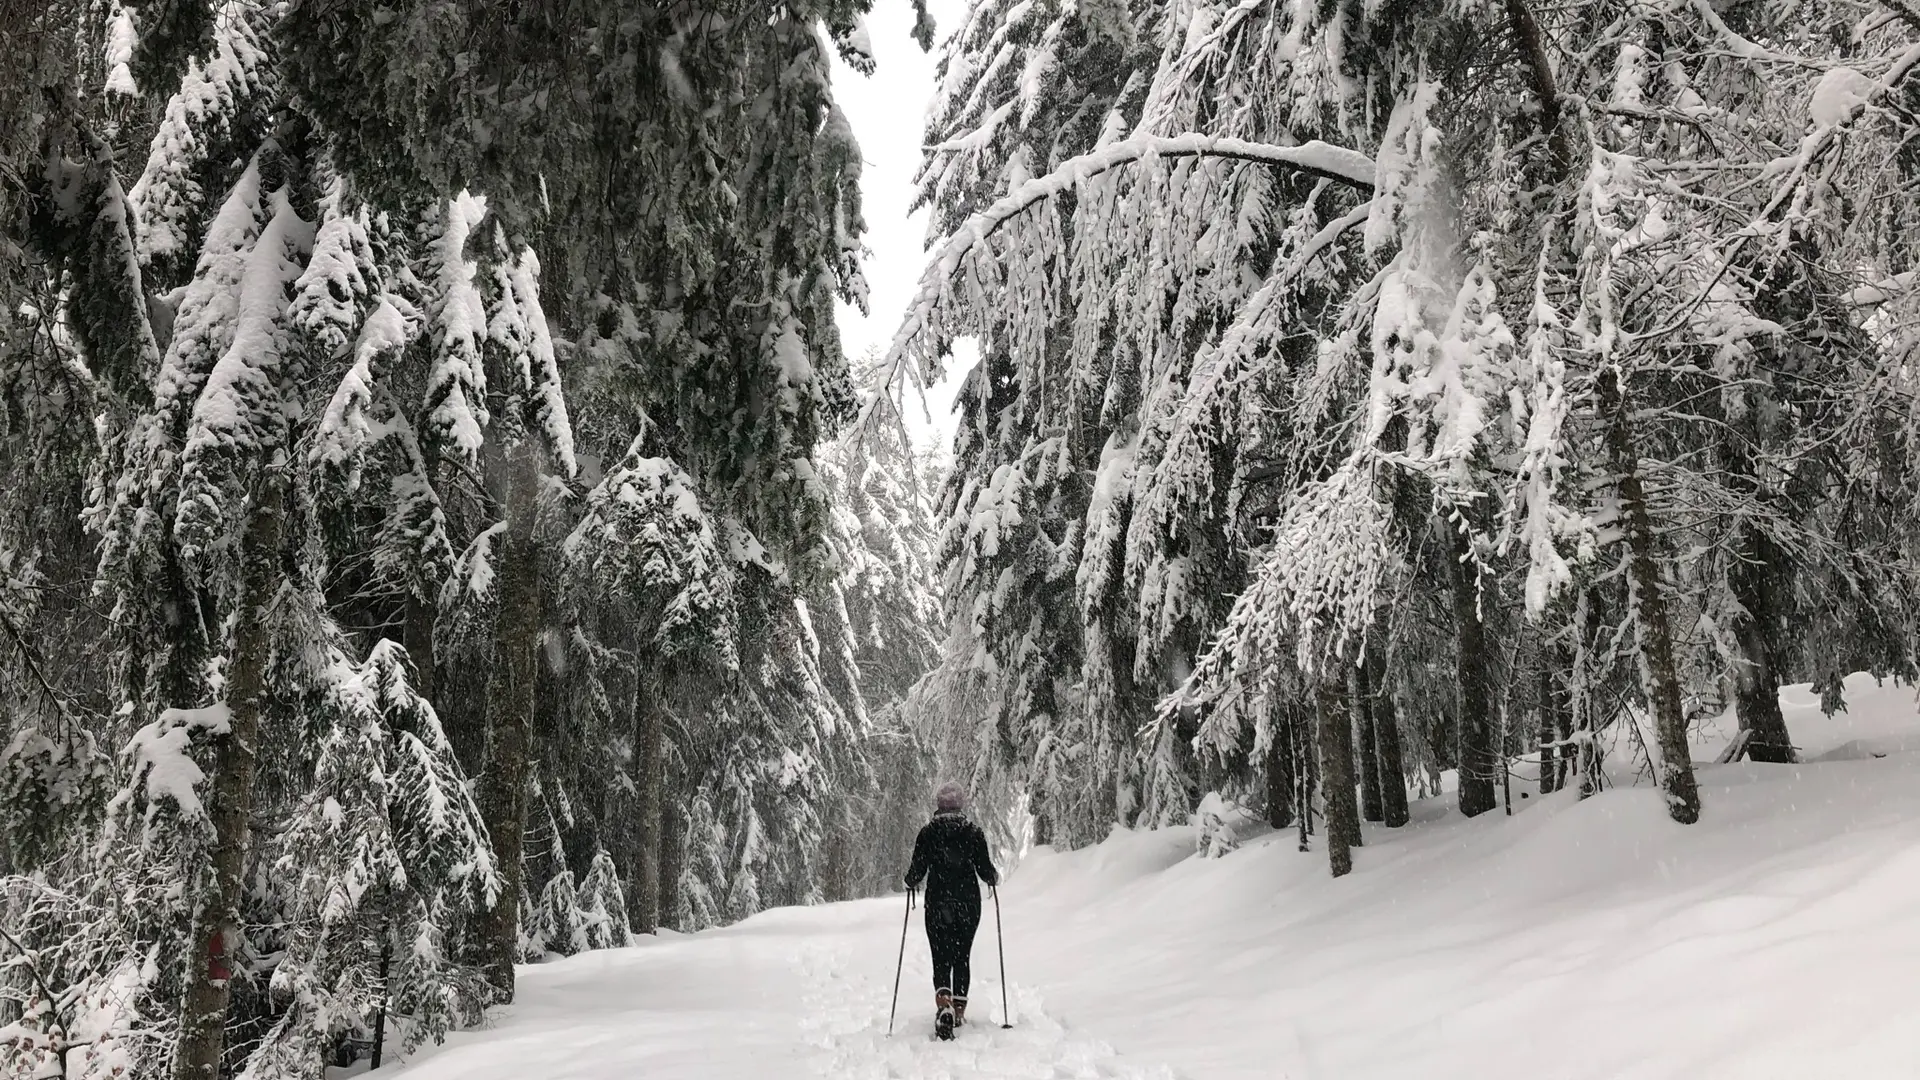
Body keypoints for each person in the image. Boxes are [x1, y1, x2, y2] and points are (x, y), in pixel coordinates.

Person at [903, 780, 998, 1040]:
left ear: (939, 805)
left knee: (941, 955)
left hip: (937, 903)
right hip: (968, 903)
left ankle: (943, 1002)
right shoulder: (974, 833)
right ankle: (958, 1010)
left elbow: (917, 871)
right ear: (960, 804)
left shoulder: (927, 833)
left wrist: (909, 880)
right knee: (961, 955)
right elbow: (985, 871)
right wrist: (993, 877)